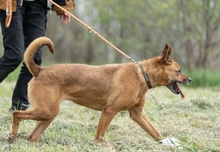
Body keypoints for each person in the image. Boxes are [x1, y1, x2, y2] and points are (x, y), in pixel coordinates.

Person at [0, 0, 75, 111]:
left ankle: (19, 107)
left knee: (33, 60)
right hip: (13, 4)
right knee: (14, 55)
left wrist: (63, 5)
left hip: (39, 4)